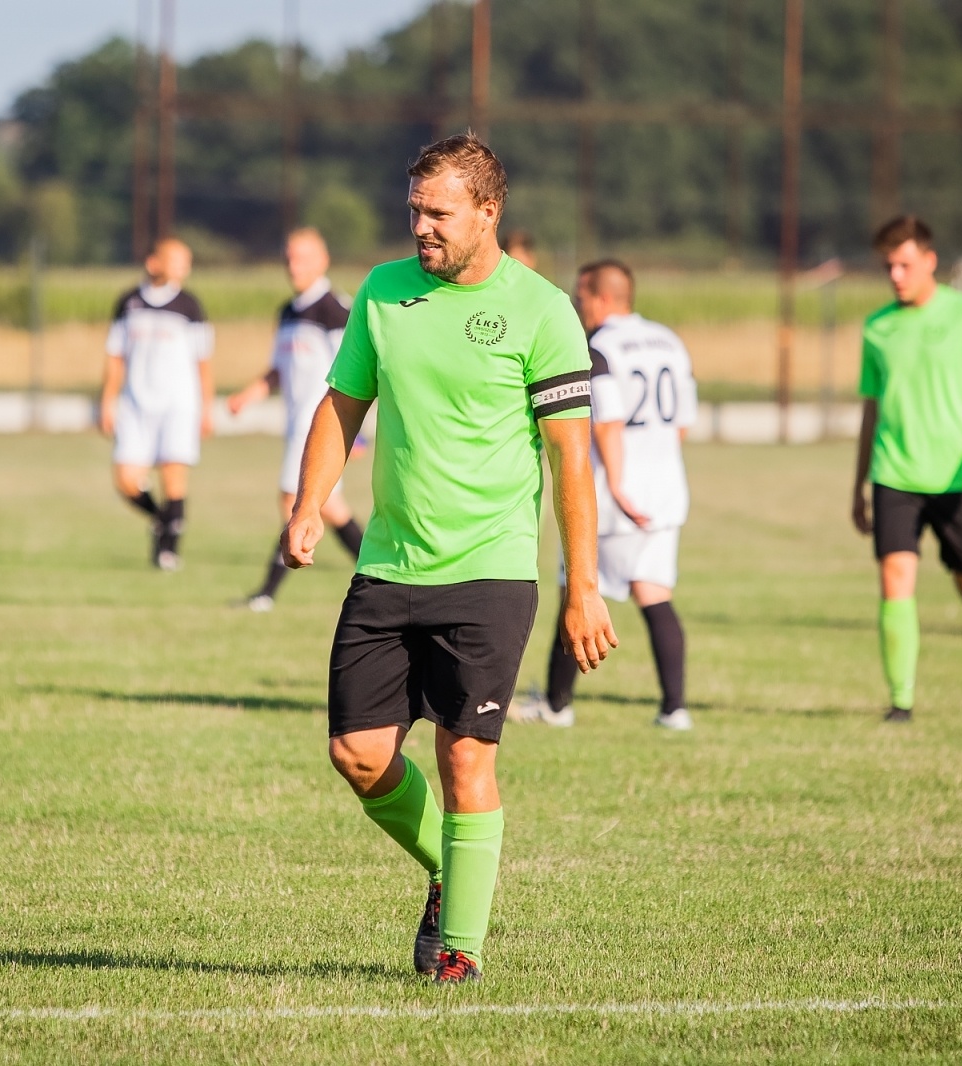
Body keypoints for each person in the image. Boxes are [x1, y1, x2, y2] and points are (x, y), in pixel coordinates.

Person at [282, 133, 617, 983]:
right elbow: (341, 403)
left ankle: (458, 953)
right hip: (389, 564)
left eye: (438, 212)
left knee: (466, 757)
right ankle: (451, 869)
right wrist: (308, 502)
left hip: (492, 571)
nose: (420, 226)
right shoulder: (384, 293)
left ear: (488, 212)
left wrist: (585, 586)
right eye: (413, 210)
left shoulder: (542, 310)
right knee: (356, 753)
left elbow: (569, 461)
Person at [515, 259, 698, 730]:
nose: (577, 307)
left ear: (600, 298)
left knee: (573, 590)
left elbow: (609, 422)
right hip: (665, 491)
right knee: (655, 594)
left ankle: (557, 705)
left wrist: (616, 483)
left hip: (615, 495)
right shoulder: (668, 341)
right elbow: (681, 424)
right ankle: (674, 709)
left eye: (580, 297)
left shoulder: (598, 347)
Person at [851, 215, 962, 722]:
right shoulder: (877, 327)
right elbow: (871, 411)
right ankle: (900, 703)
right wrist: (857, 485)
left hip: (958, 478)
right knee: (895, 579)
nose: (896, 275)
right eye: (888, 267)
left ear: (929, 261)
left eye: (904, 264)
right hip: (894, 474)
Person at [227, 228, 364, 611]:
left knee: (294, 499)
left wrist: (359, 436)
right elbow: (278, 370)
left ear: (323, 261)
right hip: (295, 427)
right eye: (288, 257)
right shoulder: (288, 312)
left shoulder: (335, 311)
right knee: (331, 509)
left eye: (302, 257)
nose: (293, 265)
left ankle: (266, 593)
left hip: (320, 426)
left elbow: (359, 375)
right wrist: (248, 395)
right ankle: (378, 575)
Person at [99, 237, 215, 571]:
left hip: (178, 405)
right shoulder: (129, 302)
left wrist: (206, 408)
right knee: (125, 479)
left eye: (186, 261)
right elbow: (115, 356)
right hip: (135, 404)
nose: (183, 268)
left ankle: (167, 551)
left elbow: (203, 362)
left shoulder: (190, 306)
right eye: (176, 260)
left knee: (173, 477)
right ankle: (162, 519)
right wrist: (108, 400)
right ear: (154, 263)